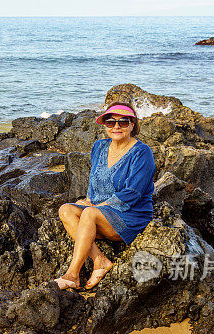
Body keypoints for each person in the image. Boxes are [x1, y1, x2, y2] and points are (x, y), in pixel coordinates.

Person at [54, 102, 156, 290]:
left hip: (132, 215)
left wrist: (96, 208)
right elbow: (94, 179)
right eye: (110, 122)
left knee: (89, 214)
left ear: (132, 125)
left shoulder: (142, 153)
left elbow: (133, 193)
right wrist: (90, 200)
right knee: (66, 210)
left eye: (123, 122)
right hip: (100, 212)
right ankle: (100, 260)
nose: (116, 126)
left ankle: (72, 275)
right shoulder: (99, 147)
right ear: (105, 126)